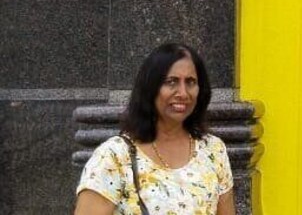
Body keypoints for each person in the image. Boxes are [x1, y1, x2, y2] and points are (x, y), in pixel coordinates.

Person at [75, 43, 235, 215]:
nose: (183, 93)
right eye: (171, 82)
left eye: (190, 82)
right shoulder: (114, 157)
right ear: (150, 88)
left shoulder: (213, 150)